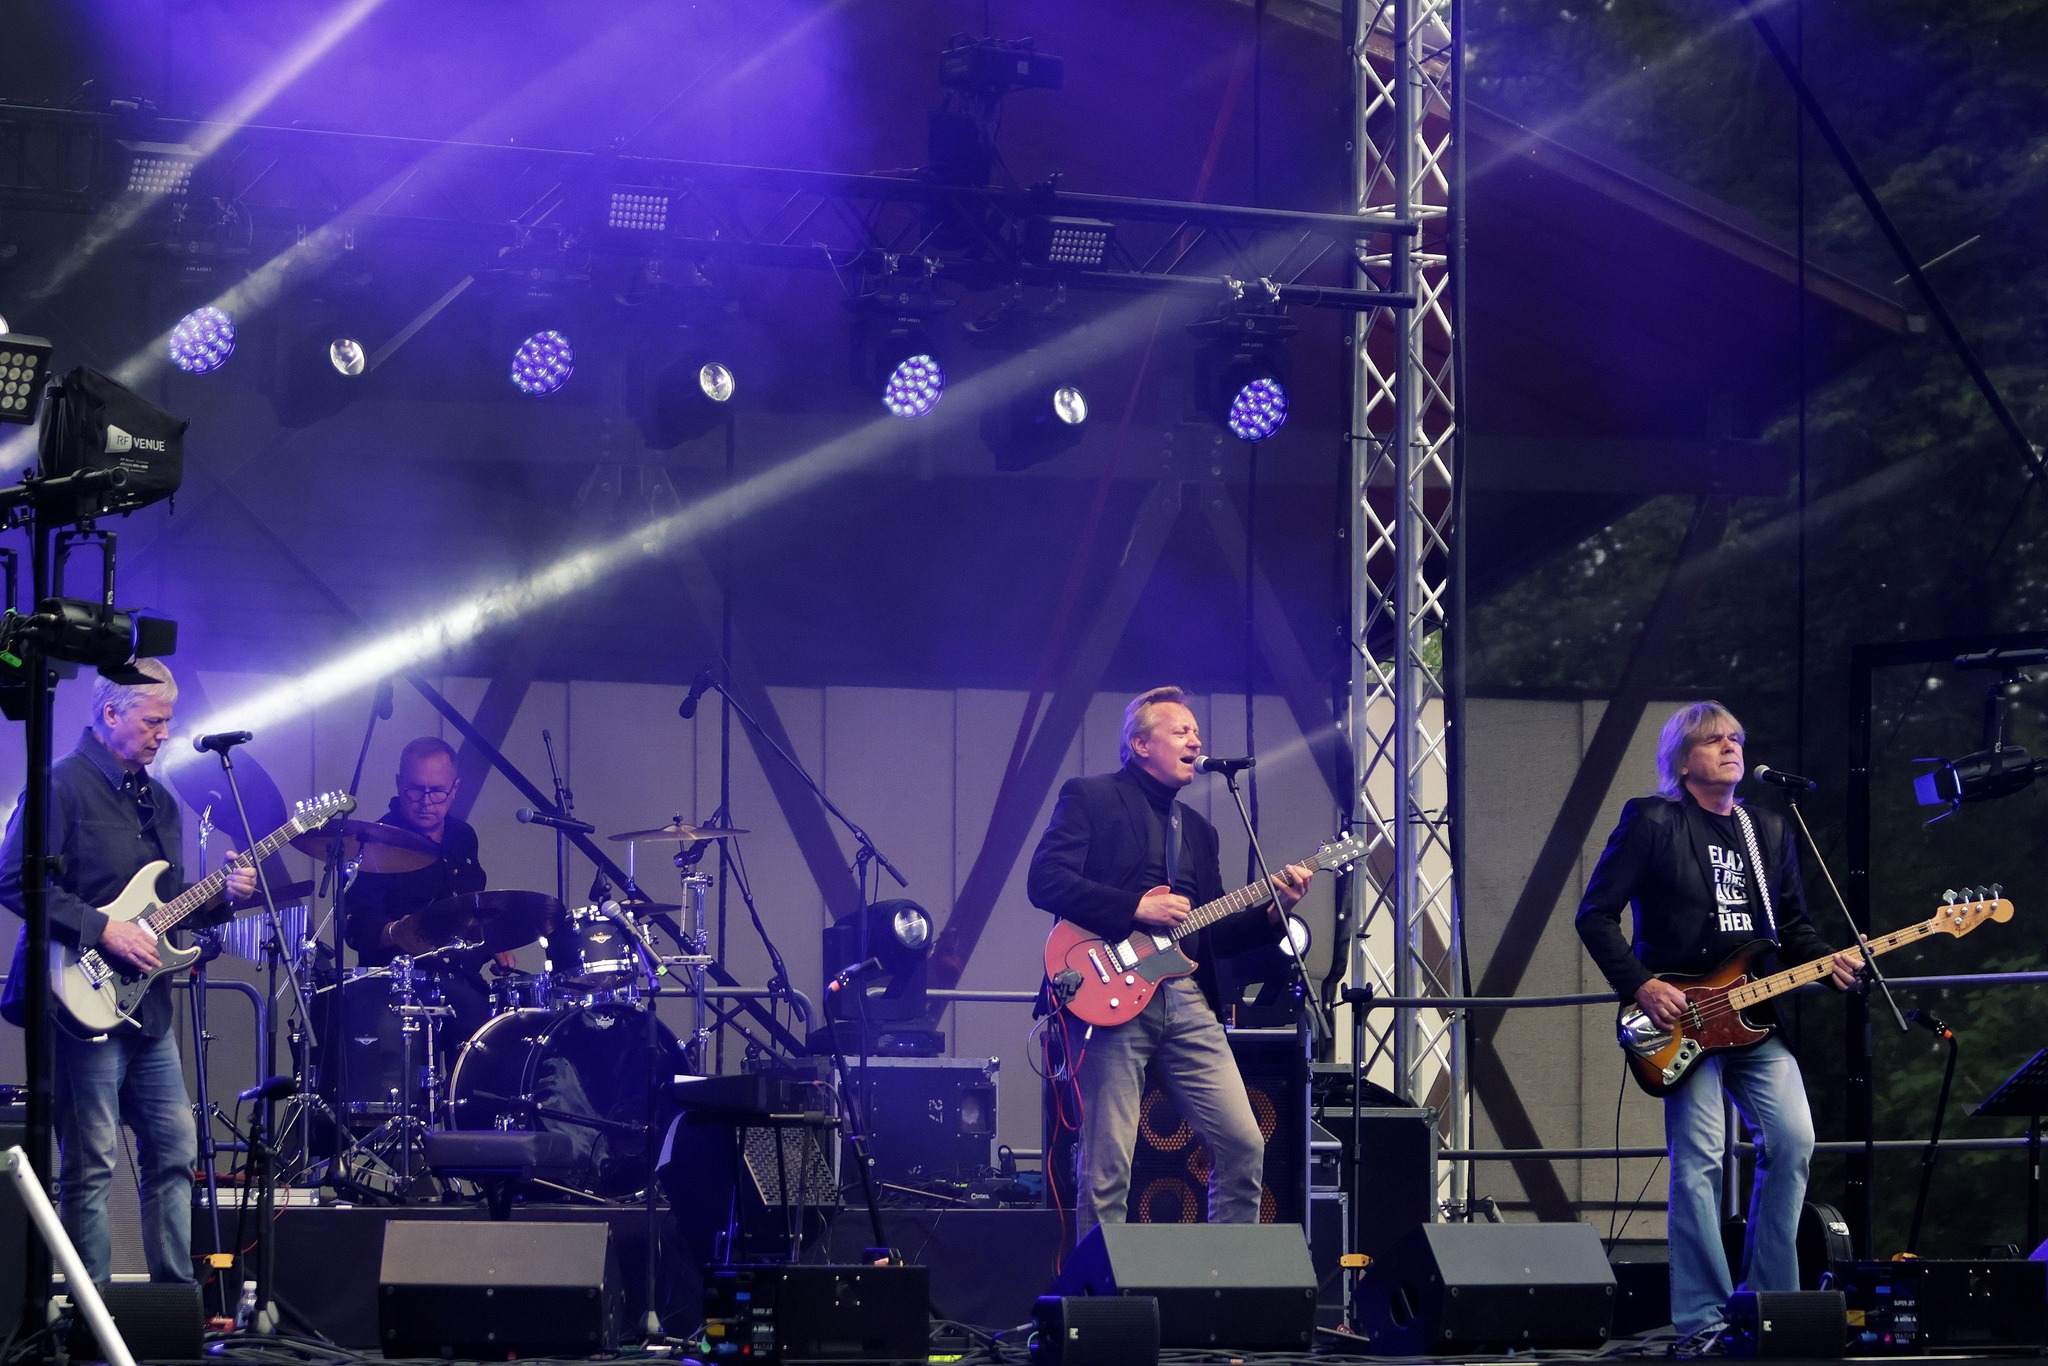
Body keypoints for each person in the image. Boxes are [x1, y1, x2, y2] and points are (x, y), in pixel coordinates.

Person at [1575, 700, 1862, 1337]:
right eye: (1713, 740)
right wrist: (1641, 984)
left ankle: (1768, 1306)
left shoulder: (1769, 829)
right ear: (1682, 762)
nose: (1731, 747)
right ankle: (1702, 1319)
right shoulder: (1653, 820)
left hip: (1753, 1015)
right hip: (1681, 1015)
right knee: (1700, 1160)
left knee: (1794, 1141)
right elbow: (1594, 915)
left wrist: (1830, 963)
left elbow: (1792, 929)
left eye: (1736, 738)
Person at [0, 661, 256, 1285]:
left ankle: (173, 1303)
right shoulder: (59, 785)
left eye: (169, 721)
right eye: (153, 721)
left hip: (148, 1009)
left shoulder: (159, 801)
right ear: (111, 714)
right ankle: (92, 1314)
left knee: (175, 1150)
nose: (164, 733)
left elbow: (164, 907)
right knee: (91, 1162)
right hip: (79, 999)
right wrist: (102, 929)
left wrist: (221, 896)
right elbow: (14, 879)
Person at [1027, 685, 1313, 1234]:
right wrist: (1135, 906)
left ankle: (1227, 1278)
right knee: (1109, 1164)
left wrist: (1276, 912)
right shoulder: (1090, 797)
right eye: (1181, 731)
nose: (1195, 741)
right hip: (1107, 993)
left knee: (1243, 1143)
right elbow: (1045, 880)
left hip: (1182, 997)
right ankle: (1102, 1285)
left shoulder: (1200, 832)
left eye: (1197, 733)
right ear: (1140, 744)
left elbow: (1214, 933)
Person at [342, 736, 507, 1047]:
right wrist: (397, 932)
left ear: (455, 789)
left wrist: (493, 944)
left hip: (461, 981)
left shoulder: (462, 837)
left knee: (501, 1033)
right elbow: (358, 930)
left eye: (438, 791)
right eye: (415, 789)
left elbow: (468, 914)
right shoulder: (374, 841)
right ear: (398, 784)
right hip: (397, 987)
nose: (426, 801)